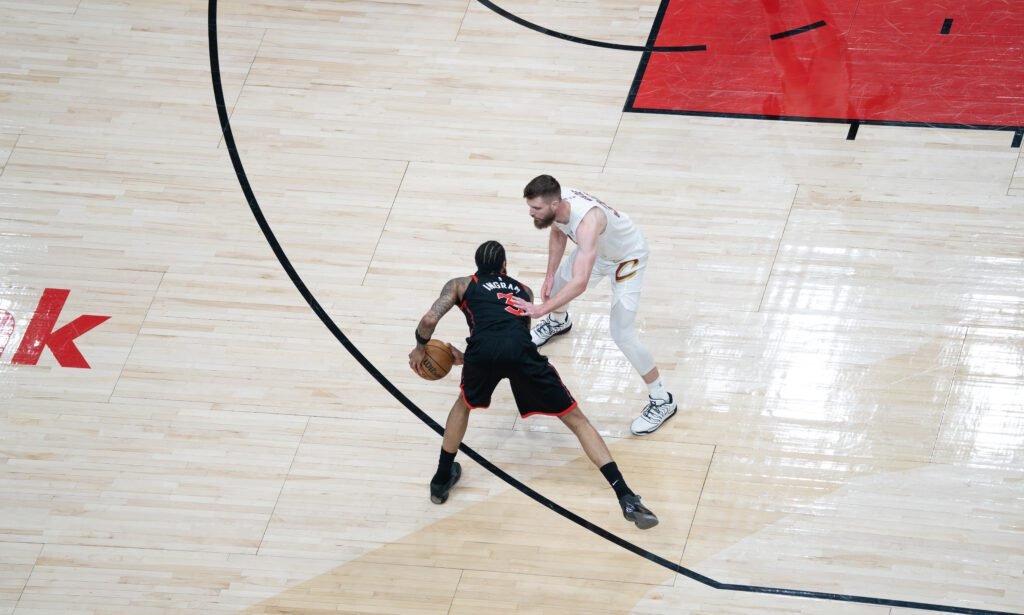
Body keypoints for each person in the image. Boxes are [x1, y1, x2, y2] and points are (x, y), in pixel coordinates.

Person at [409, 240, 659, 529]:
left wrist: (421, 348)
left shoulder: (461, 284)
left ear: (477, 267)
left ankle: (441, 480)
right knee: (576, 420)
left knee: (464, 404)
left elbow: (429, 319)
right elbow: (514, 338)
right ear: (504, 266)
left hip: (483, 351)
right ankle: (624, 494)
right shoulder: (522, 290)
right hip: (520, 352)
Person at [511, 175, 677, 435]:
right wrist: (551, 273)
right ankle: (558, 322)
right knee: (554, 290)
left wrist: (540, 310)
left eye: (536, 209)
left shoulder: (587, 223)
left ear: (555, 204)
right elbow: (557, 232)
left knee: (622, 333)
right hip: (598, 250)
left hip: (626, 258)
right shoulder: (557, 201)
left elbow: (580, 283)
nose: (531, 213)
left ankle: (662, 399)